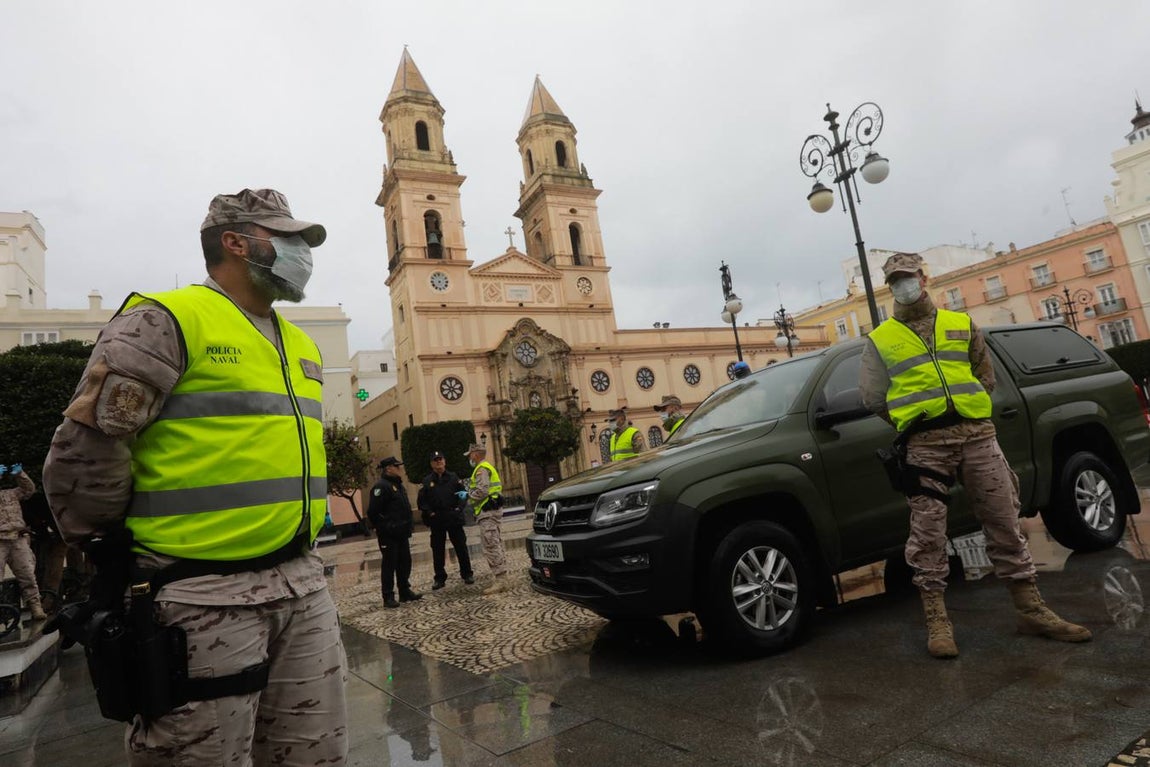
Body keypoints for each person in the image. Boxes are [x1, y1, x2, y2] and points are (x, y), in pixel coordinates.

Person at [42, 188, 348, 764]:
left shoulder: (298, 340)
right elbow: (86, 450)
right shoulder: (163, 321)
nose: (302, 253)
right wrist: (113, 553)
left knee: (317, 753)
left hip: (302, 585)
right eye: (286, 239)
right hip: (200, 597)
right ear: (235, 242)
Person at [860, 251, 1090, 659]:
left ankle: (1030, 609)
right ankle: (937, 620)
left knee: (1004, 518)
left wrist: (964, 408)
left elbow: (985, 375)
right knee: (928, 532)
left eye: (908, 277)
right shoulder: (881, 339)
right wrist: (915, 420)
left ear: (923, 278)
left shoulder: (960, 323)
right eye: (895, 281)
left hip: (977, 436)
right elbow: (874, 397)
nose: (903, 285)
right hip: (925, 445)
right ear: (889, 287)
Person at [367, 456, 422, 608]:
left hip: (402, 532)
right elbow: (373, 512)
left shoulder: (398, 485)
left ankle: (404, 591)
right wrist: (386, 526)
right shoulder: (381, 487)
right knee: (389, 564)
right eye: (397, 466)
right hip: (389, 534)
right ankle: (388, 596)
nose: (400, 469)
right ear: (389, 469)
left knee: (405, 562)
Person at [417, 450, 474, 590]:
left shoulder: (453, 477)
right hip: (437, 519)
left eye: (440, 459)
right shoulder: (427, 481)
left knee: (461, 547)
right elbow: (422, 501)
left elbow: (463, 494)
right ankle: (439, 578)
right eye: (435, 460)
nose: (438, 462)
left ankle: (467, 574)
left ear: (444, 461)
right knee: (437, 550)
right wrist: (430, 513)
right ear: (431, 464)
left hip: (453, 517)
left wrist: (459, 508)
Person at [0, 463, 46, 620]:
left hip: (17, 539)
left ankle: (36, 607)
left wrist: (20, 474)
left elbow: (28, 490)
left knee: (27, 574)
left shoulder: (12, 494)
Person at [463, 443, 508, 594]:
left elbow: (482, 490)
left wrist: (468, 495)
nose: (469, 458)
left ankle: (501, 580)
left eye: (470, 455)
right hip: (492, 510)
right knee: (495, 542)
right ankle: (502, 577)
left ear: (475, 454)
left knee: (490, 544)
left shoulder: (481, 469)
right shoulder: (488, 466)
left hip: (487, 512)